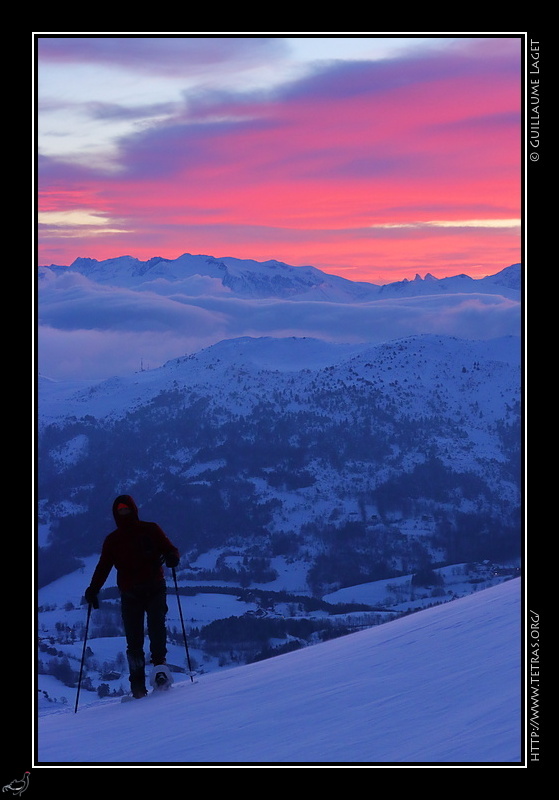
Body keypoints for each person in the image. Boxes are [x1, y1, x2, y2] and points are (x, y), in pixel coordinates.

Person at [85, 494, 180, 698]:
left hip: (149, 588)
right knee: (137, 638)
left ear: (133, 510)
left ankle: (156, 673)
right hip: (134, 592)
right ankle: (140, 683)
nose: (124, 513)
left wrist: (172, 557)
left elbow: (170, 549)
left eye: (126, 509)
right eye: (120, 511)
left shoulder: (147, 530)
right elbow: (103, 567)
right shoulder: (117, 539)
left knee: (154, 629)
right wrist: (93, 589)